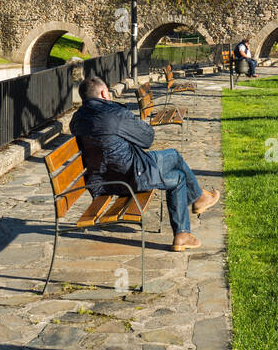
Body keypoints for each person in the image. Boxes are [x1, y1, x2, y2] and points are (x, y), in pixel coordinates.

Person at [70, 77, 219, 252]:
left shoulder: (77, 119)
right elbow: (147, 138)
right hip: (131, 176)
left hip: (103, 182)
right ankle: (196, 202)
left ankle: (186, 228)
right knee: (174, 157)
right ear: (104, 93)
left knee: (177, 175)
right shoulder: (114, 113)